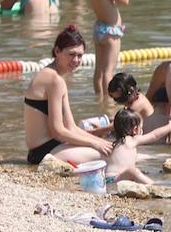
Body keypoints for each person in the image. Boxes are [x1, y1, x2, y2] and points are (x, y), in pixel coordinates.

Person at [23, 26, 111, 165]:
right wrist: (95, 144)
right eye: (71, 54)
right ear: (57, 51)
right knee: (110, 156)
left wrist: (100, 141)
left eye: (80, 55)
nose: (76, 60)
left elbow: (71, 127)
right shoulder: (54, 81)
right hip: (43, 154)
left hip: (42, 150)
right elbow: (57, 131)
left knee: (109, 148)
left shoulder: (53, 76)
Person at [86, 0, 130, 100]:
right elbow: (124, 0)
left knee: (99, 71)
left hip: (99, 30)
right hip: (111, 33)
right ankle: (109, 102)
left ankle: (99, 100)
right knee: (108, 72)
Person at [102, 109, 171, 184]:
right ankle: (153, 185)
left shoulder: (117, 143)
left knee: (135, 171)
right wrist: (169, 127)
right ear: (135, 130)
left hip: (107, 179)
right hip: (116, 179)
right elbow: (154, 135)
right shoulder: (131, 140)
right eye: (141, 127)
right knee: (133, 171)